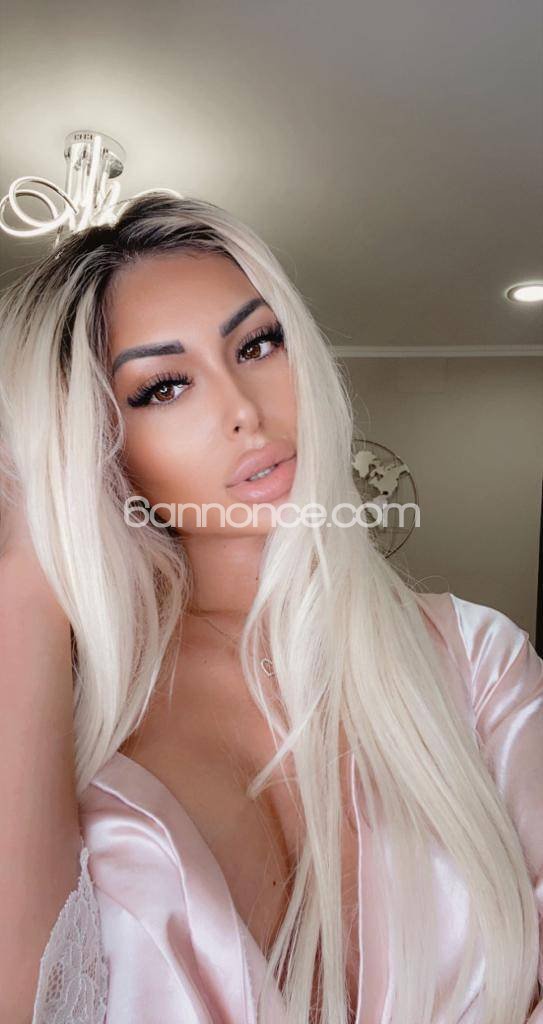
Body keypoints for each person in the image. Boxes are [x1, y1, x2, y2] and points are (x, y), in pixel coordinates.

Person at [0, 192, 541, 1024]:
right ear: (96, 442)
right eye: (164, 387)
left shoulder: (477, 659)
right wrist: (31, 565)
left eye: (257, 344)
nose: (244, 411)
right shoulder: (60, 710)